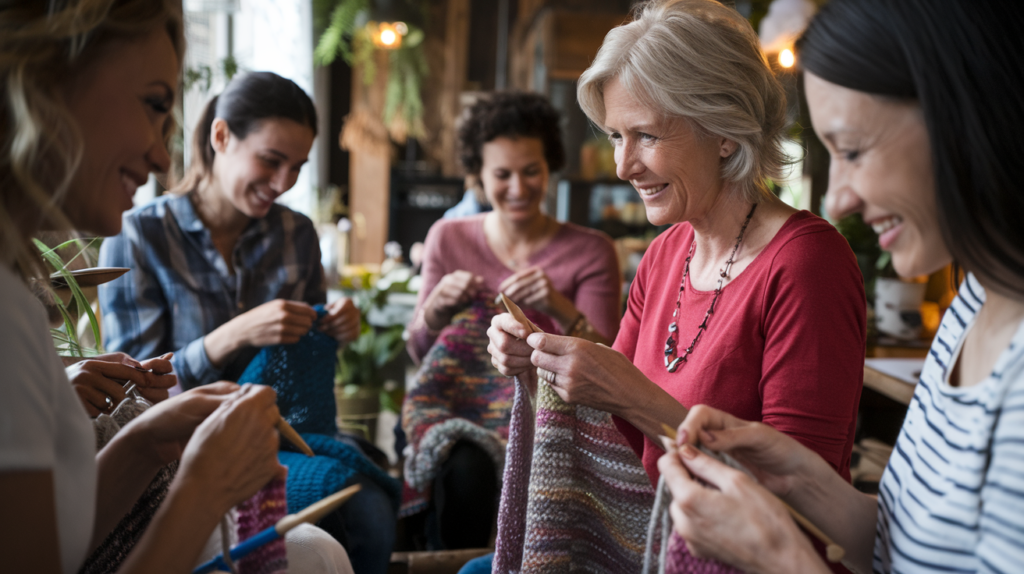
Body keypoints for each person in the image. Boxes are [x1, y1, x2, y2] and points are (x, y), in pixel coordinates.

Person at [487, 0, 865, 568]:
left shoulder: (809, 263)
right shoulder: (667, 254)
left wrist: (626, 392)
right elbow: (612, 436)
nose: (623, 165)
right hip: (651, 542)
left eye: (645, 135)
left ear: (724, 133)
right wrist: (542, 370)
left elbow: (796, 500)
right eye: (616, 136)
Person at [658, 1, 1024, 573]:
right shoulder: (973, 305)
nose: (837, 200)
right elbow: (900, 546)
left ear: (963, 115)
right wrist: (800, 481)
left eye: (852, 151)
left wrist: (778, 557)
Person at [0, 1, 348, 573]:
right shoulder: (124, 244)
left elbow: (58, 542)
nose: (162, 154)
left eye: (298, 167)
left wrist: (141, 446)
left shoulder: (297, 233)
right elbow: (143, 373)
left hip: (235, 437)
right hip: (205, 450)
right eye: (154, 104)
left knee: (331, 532)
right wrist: (203, 486)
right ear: (43, 85)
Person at [98, 72, 394, 574]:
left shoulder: (296, 233)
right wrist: (230, 336)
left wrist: (334, 330)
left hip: (287, 433)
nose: (283, 184)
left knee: (365, 505)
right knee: (353, 511)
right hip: (182, 452)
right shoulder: (138, 235)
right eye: (270, 160)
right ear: (220, 137)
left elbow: (304, 374)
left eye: (296, 167)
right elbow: (134, 396)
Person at [401, 91, 622, 549]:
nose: (518, 188)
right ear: (478, 176)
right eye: (502, 174)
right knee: (464, 470)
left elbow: (611, 362)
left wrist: (561, 308)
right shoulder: (448, 237)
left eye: (531, 171)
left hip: (555, 419)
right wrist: (437, 311)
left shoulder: (591, 249)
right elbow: (423, 354)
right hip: (464, 416)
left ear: (550, 168)